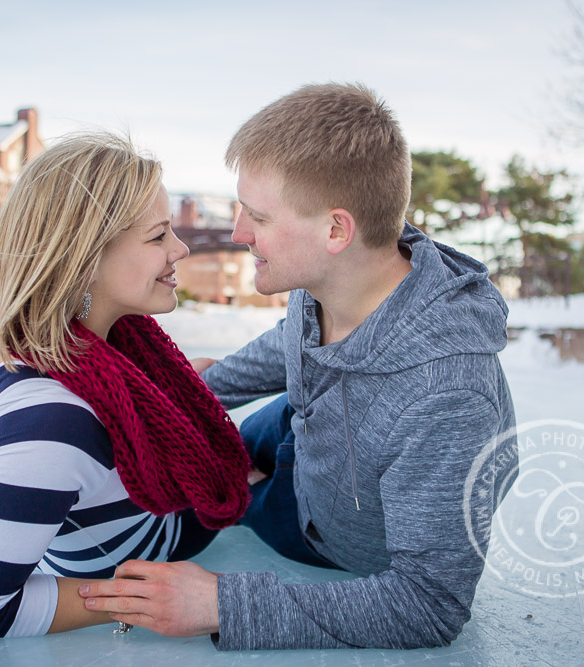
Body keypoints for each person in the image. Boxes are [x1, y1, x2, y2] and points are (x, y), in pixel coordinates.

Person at [79, 83, 518, 650]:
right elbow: (293, 338)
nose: (238, 233)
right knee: (209, 438)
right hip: (302, 427)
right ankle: (247, 460)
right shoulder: (332, 275)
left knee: (223, 494)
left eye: (256, 216)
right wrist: (191, 390)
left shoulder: (447, 399)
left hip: (325, 526)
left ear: (337, 229)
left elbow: (430, 604)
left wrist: (221, 604)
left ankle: (255, 486)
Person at [0, 132, 250, 638]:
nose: (180, 248)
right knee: (290, 439)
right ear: (83, 258)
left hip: (123, 509)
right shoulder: (49, 425)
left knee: (283, 424)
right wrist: (135, 600)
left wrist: (153, 396)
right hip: (152, 538)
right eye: (157, 236)